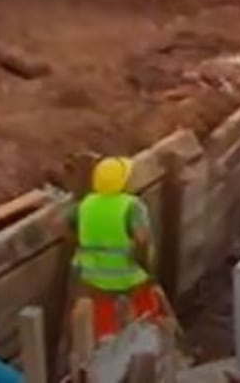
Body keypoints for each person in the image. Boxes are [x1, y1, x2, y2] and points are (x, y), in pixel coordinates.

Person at [70, 155, 172, 368]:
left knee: (104, 326)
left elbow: (68, 229)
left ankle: (106, 363)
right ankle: (149, 355)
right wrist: (149, 271)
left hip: (96, 279)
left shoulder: (85, 206)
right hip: (130, 277)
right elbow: (142, 239)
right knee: (146, 317)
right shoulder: (131, 207)